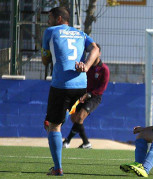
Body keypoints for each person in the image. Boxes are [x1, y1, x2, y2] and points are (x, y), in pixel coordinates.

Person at [41, 7, 99, 176]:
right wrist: (86, 66)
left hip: (62, 85)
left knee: (53, 126)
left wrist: (48, 55)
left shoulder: (50, 31)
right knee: (63, 112)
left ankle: (57, 168)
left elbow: (45, 60)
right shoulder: (80, 33)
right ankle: (61, 116)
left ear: (59, 19)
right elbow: (95, 48)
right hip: (81, 85)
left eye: (50, 18)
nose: (48, 21)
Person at [62, 44, 110, 149]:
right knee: (74, 118)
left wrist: (89, 94)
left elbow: (102, 88)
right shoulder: (86, 67)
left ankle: (67, 140)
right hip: (82, 95)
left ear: (99, 53)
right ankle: (86, 143)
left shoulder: (104, 69)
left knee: (80, 117)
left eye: (95, 52)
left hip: (94, 97)